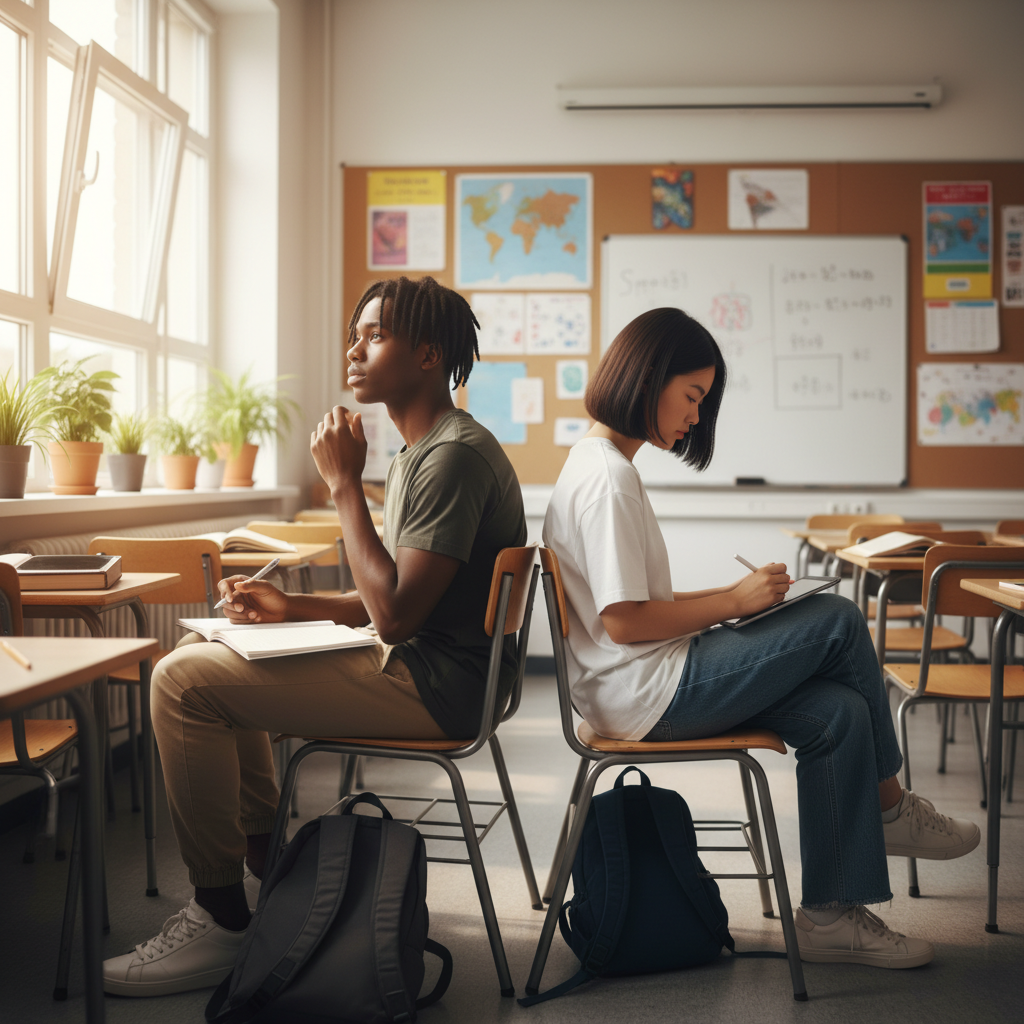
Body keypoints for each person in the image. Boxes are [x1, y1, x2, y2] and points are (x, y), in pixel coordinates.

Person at [103, 276, 527, 996]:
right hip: (431, 666)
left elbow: (394, 617)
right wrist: (292, 607)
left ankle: (221, 916)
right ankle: (273, 871)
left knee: (181, 684)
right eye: (355, 333)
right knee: (203, 656)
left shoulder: (450, 457)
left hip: (437, 686)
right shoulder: (431, 448)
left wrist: (341, 486)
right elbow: (395, 598)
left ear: (427, 355)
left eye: (374, 335)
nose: (353, 349)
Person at [542, 306, 980, 970]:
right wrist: (730, 602)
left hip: (643, 683)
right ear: (649, 377)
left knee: (838, 713)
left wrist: (732, 609)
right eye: (692, 396)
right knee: (838, 619)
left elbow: (643, 605)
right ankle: (890, 806)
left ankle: (830, 918)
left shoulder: (597, 463)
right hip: (647, 693)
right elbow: (624, 621)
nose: (695, 415)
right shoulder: (608, 478)